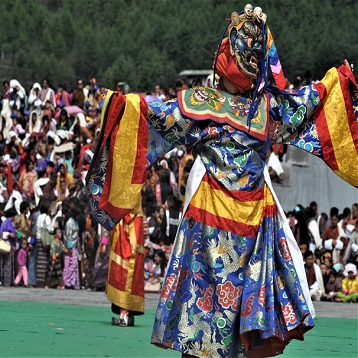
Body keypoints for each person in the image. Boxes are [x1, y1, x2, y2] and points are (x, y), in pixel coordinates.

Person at [87, 4, 358, 357]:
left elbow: (158, 114)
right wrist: (337, 80)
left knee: (203, 313)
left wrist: (121, 105)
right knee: (242, 314)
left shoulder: (206, 103)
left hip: (211, 220)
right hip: (253, 223)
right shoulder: (269, 109)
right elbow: (311, 102)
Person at [109, 212, 145, 327]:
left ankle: (124, 316)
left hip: (127, 226)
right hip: (130, 224)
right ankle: (128, 315)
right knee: (129, 274)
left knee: (124, 275)